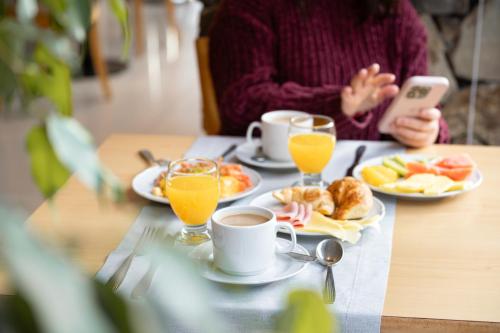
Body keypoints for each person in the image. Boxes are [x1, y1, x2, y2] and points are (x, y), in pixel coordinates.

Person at [209, 0, 449, 147]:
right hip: (276, 184)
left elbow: (420, 101)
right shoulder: (248, 7)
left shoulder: (396, 11)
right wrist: (336, 106)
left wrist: (429, 130)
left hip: (380, 185)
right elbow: (241, 103)